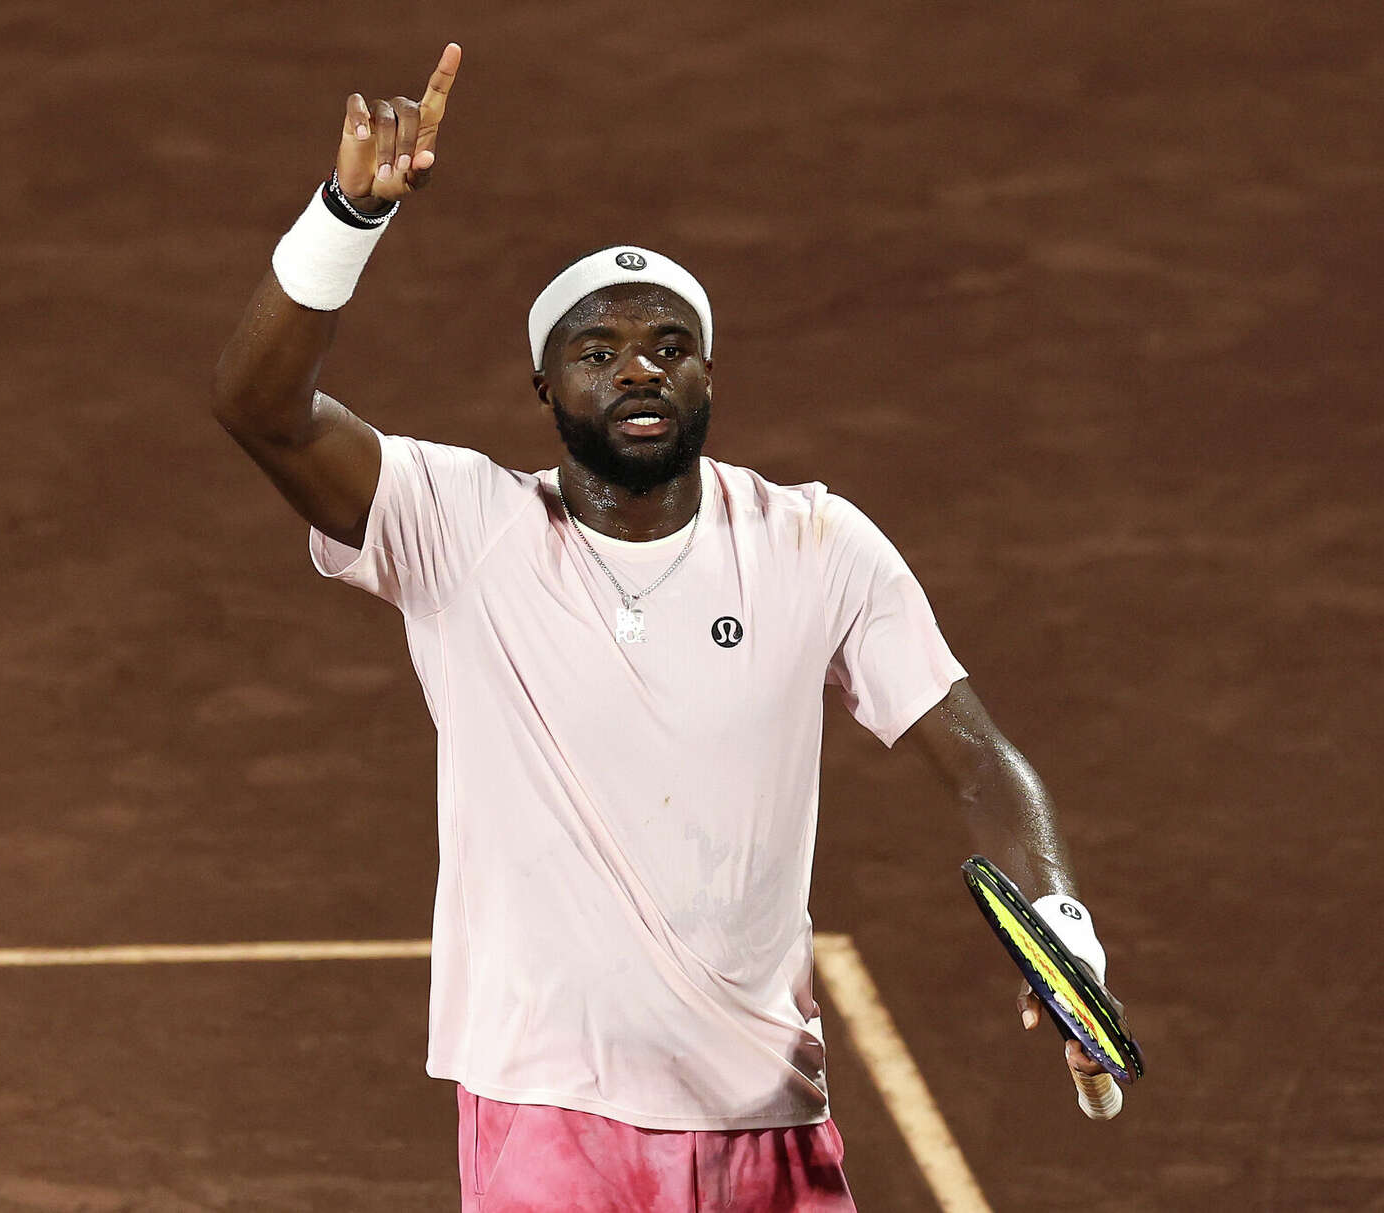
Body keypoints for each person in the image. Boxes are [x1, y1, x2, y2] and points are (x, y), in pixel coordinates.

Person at [213, 42, 1124, 1212]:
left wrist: (1062, 937)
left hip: (766, 1114)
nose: (635, 371)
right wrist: (346, 217)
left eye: (667, 347)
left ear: (707, 375)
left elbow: (978, 759)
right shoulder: (459, 527)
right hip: (549, 1109)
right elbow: (258, 408)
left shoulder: (816, 544)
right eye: (595, 354)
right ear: (544, 391)